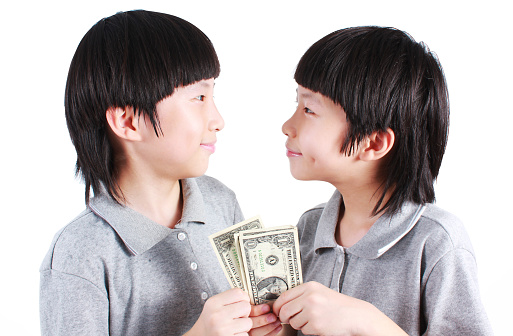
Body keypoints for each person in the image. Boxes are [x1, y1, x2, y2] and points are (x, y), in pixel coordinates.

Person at [39, 10, 281, 336]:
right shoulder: (78, 255)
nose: (218, 119)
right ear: (128, 122)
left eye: (212, 95)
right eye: (198, 97)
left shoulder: (220, 201)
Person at [274, 26, 493, 335]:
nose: (287, 125)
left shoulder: (437, 242)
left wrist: (366, 322)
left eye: (309, 109)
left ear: (374, 143)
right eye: (296, 104)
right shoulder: (308, 228)